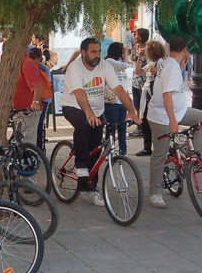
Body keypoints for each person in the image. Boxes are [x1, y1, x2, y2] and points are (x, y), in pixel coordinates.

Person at [58, 37, 141, 206]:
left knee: (96, 149)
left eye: (99, 51)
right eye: (93, 52)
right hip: (73, 106)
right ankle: (81, 166)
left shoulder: (104, 66)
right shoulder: (75, 68)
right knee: (83, 124)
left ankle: (91, 188)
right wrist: (88, 113)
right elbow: (79, 93)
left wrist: (131, 111)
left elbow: (118, 89)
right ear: (83, 53)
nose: (97, 55)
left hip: (97, 111)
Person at [146, 37, 202, 209]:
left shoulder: (170, 63)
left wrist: (182, 67)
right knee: (159, 155)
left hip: (179, 111)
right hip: (162, 117)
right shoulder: (170, 67)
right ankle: (155, 192)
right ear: (185, 50)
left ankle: (196, 158)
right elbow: (167, 94)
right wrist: (172, 121)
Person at [103, 42, 132, 156]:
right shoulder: (109, 62)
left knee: (122, 127)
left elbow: (124, 83)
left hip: (122, 101)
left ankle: (122, 152)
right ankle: (108, 152)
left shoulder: (119, 63)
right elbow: (124, 66)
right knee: (111, 128)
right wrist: (125, 53)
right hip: (112, 101)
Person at [11, 47, 43, 143]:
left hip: (28, 112)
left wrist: (35, 102)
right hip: (18, 111)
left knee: (27, 142)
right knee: (19, 142)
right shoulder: (17, 64)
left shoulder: (27, 64)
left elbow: (37, 86)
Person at [34, 49, 53, 151]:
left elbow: (45, 86)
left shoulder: (44, 69)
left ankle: (41, 150)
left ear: (40, 59)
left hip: (43, 100)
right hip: (36, 100)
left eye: (34, 58)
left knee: (40, 124)